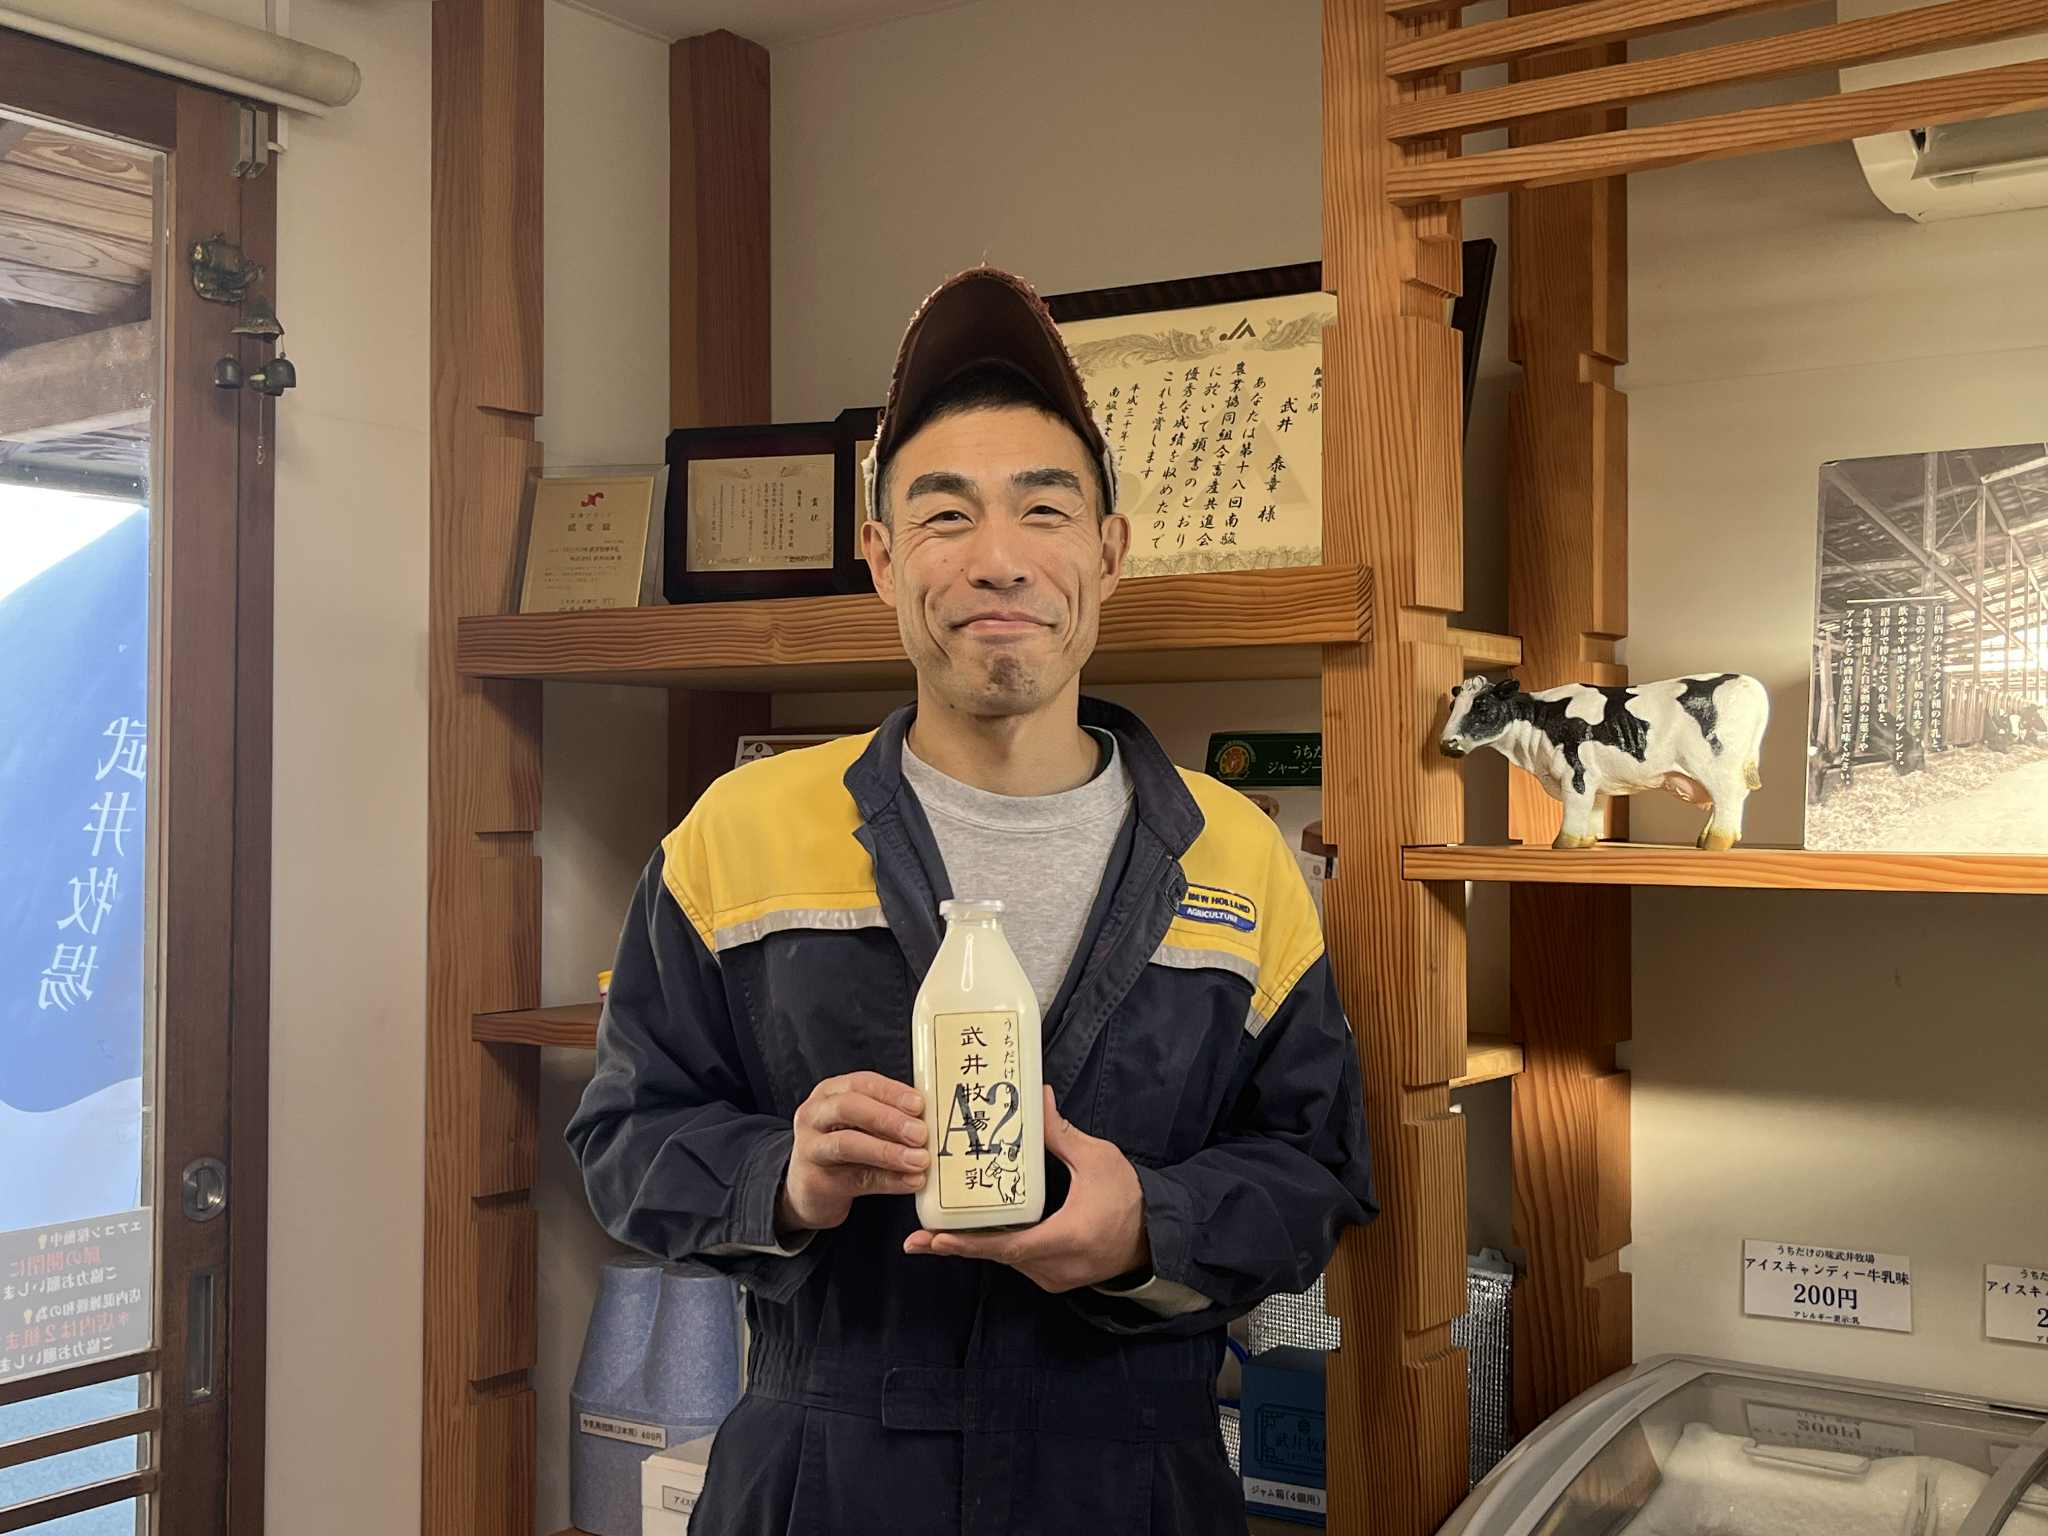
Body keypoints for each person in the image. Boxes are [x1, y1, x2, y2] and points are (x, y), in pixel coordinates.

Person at [567, 265, 1376, 1535]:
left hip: (1134, 1482)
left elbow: (1315, 1171)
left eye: (1043, 509)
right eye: (944, 515)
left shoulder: (1235, 854)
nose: (998, 560)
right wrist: (783, 1176)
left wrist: (1147, 1226)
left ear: (1108, 552)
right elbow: (623, 1141)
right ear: (882, 558)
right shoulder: (739, 834)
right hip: (821, 1482)